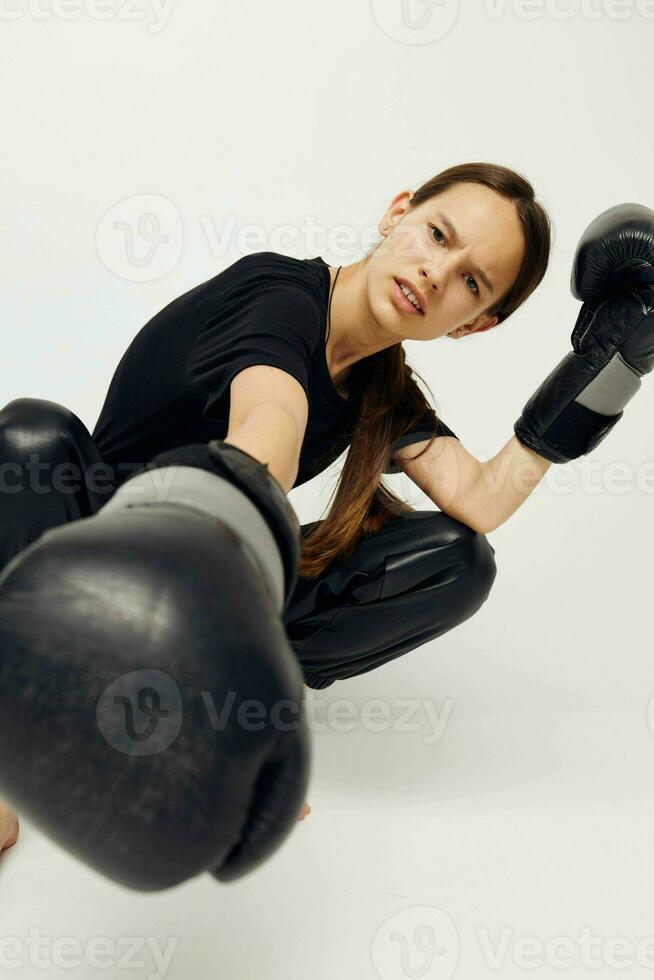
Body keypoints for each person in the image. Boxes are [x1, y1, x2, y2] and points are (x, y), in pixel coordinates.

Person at [0, 162, 552, 852]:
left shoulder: (382, 387)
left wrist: (605, 374)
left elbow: (481, 499)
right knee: (32, 438)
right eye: (438, 235)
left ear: (474, 324)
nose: (438, 274)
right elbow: (270, 421)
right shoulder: (279, 296)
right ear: (398, 212)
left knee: (459, 560)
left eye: (472, 281)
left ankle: (194, 697)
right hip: (86, 562)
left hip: (205, 595)